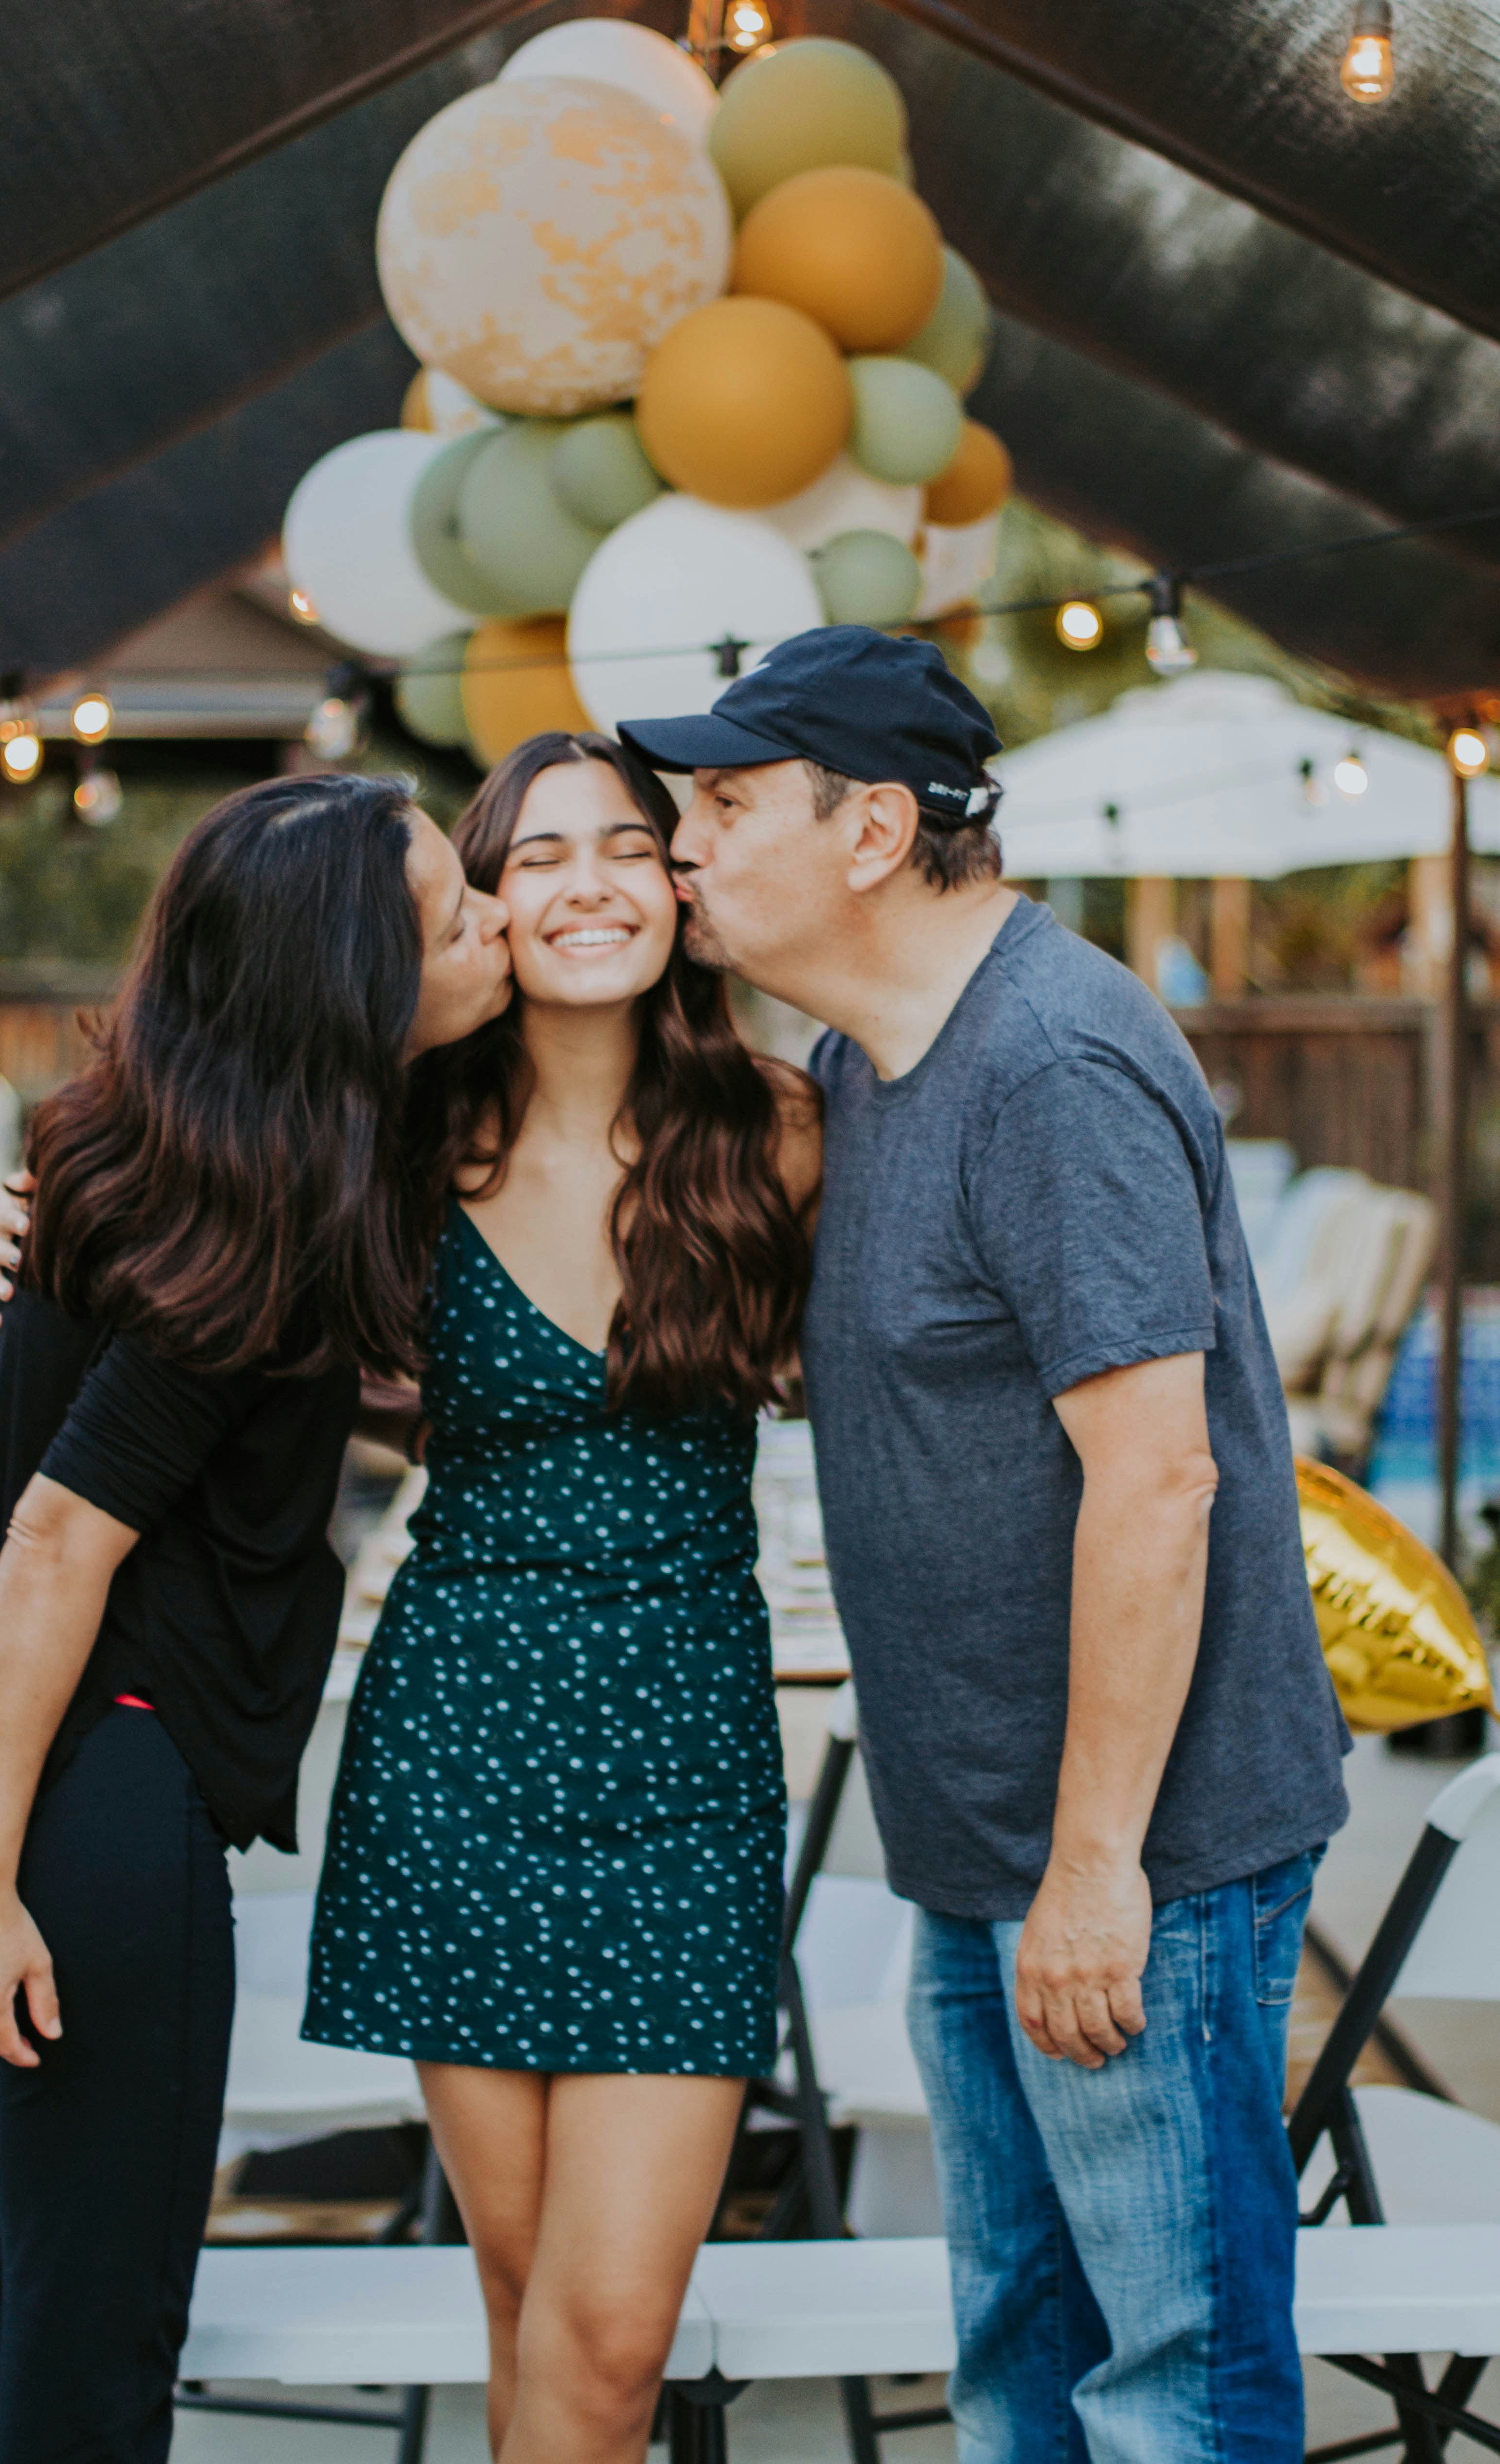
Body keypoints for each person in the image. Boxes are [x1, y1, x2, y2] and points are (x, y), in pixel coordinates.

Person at [620, 627, 1350, 2464]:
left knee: (1173, 2388)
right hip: (985, 1844)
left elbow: (1158, 1483)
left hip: (1133, 1863)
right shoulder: (873, 1062)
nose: (680, 844)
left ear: (872, 831)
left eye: (722, 804)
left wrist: (1095, 1865)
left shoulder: (1045, 1064)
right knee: (1025, 2360)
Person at [0, 771, 510, 2464]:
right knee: (95, 2348)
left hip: (22, 1765)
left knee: (2, 2301)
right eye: (456, 919)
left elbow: (270, 1405)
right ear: (358, 989)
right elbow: (58, 1545)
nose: (500, 923)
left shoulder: (169, 1142)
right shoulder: (250, 1224)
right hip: (93, 1796)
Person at [302, 730, 820, 2464]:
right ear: (484, 901)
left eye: (625, 847)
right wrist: (27, 1213)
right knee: (522, 2295)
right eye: (536, 857)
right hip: (460, 1753)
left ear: (679, 887)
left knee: (610, 2341)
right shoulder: (391, 1141)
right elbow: (178, 1170)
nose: (586, 884)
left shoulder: (784, 1133)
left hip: (684, 1769)